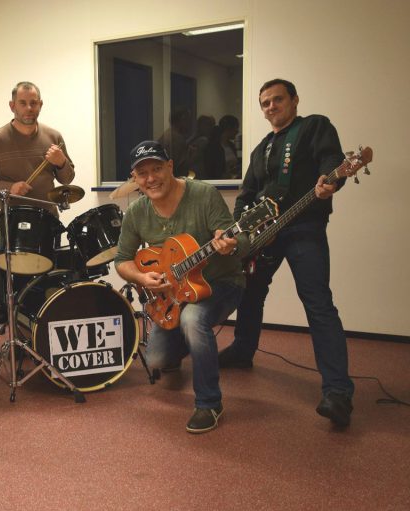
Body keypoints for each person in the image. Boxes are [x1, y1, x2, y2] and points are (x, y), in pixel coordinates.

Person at [218, 78, 355, 427]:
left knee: (318, 303)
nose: (271, 107)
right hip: (265, 235)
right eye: (264, 103)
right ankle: (243, 350)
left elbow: (332, 161)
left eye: (277, 100)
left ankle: (338, 392)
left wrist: (330, 182)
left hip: (304, 228)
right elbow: (248, 194)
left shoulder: (314, 127)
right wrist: (241, 232)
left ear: (294, 100)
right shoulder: (261, 148)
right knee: (250, 294)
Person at [115, 140, 248, 434]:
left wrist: (229, 244)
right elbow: (123, 259)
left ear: (171, 167)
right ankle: (186, 344)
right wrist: (141, 278)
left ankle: (209, 403)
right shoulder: (137, 212)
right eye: (142, 173)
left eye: (157, 169)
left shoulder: (204, 195)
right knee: (158, 359)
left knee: (193, 319)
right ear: (134, 179)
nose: (151, 178)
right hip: (174, 292)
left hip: (219, 283)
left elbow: (242, 241)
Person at [0, 81, 74, 215]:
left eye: (33, 103)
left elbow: (67, 180)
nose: (29, 108)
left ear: (40, 105)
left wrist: (62, 163)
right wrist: (9, 188)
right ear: (12, 106)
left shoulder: (54, 137)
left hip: (48, 219)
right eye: (22, 103)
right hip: (12, 221)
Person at [158, 107, 193, 178]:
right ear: (182, 119)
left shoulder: (168, 135)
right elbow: (179, 167)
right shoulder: (176, 139)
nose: (190, 124)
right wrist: (190, 155)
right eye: (188, 120)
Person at [203, 115, 240, 180]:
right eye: (236, 128)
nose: (237, 131)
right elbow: (210, 170)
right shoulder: (213, 148)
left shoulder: (231, 145)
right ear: (229, 128)